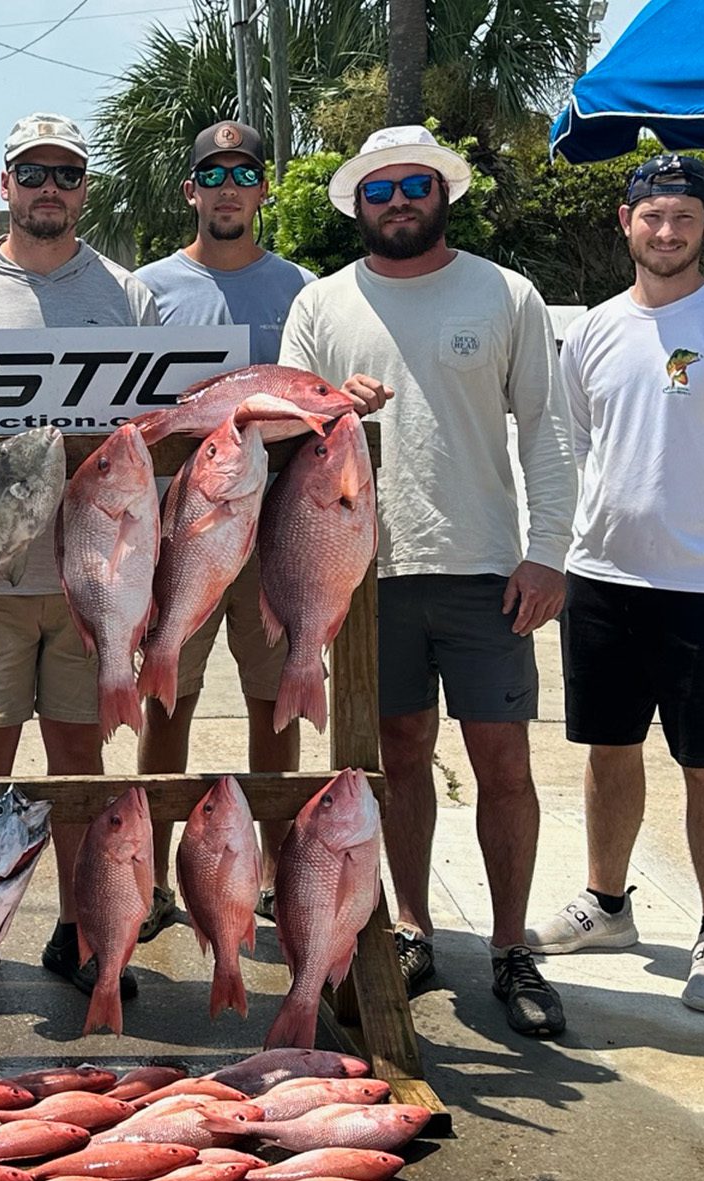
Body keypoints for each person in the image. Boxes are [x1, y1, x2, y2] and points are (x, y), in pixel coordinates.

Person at [280, 125, 578, 1038]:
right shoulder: (321, 305)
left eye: (415, 184)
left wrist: (550, 550)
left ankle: (509, 945)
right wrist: (333, 407)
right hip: (364, 578)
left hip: (488, 566)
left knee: (503, 762)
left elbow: (551, 430)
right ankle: (413, 927)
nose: (399, 200)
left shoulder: (506, 293)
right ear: (358, 206)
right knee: (398, 757)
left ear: (443, 191)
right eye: (380, 189)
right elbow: (281, 437)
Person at [535, 153, 704, 1016]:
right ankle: (607, 905)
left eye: (683, 217)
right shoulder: (588, 332)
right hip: (602, 577)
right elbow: (580, 445)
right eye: (651, 215)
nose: (666, 231)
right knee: (607, 749)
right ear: (626, 221)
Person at [0, 113, 164, 1000]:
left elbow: (151, 447)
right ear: (6, 183)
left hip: (91, 578)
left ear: (84, 189)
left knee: (79, 763)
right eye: (32, 172)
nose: (47, 187)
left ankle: (80, 929)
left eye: (65, 173)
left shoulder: (129, 297)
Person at [131, 119, 332, 923]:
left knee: (272, 695)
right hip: (187, 523)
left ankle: (280, 872)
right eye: (211, 175)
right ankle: (144, 878)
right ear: (191, 191)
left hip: (281, 524)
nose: (227, 188)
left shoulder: (304, 289)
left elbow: (326, 394)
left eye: (243, 173)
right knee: (165, 694)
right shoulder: (145, 290)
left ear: (263, 188)